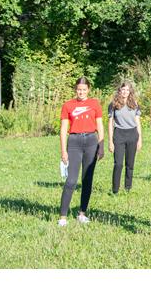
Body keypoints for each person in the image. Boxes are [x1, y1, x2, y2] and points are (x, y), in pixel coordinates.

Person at [58, 77, 104, 226]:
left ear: (88, 90)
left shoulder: (95, 104)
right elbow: (64, 128)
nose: (81, 92)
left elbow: (100, 125)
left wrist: (101, 146)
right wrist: (63, 150)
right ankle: (62, 217)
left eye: (84, 90)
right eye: (79, 89)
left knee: (87, 179)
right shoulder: (68, 105)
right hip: (74, 142)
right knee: (71, 181)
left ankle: (82, 213)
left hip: (91, 141)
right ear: (75, 90)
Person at [107, 81, 142, 194]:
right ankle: (115, 189)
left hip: (132, 134)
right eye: (123, 89)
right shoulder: (113, 104)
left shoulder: (135, 104)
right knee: (118, 164)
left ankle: (128, 187)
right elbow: (110, 123)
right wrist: (110, 141)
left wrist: (139, 138)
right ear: (120, 91)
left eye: (127, 90)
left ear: (130, 91)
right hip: (119, 134)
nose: (125, 92)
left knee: (130, 164)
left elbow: (137, 121)